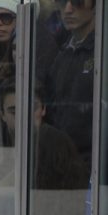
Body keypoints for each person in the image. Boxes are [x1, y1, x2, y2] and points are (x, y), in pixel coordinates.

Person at [45, 0, 95, 170]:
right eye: (61, 2)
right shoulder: (63, 54)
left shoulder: (102, 52)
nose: (67, 9)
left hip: (94, 164)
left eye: (77, 2)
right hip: (63, 161)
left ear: (96, 6)